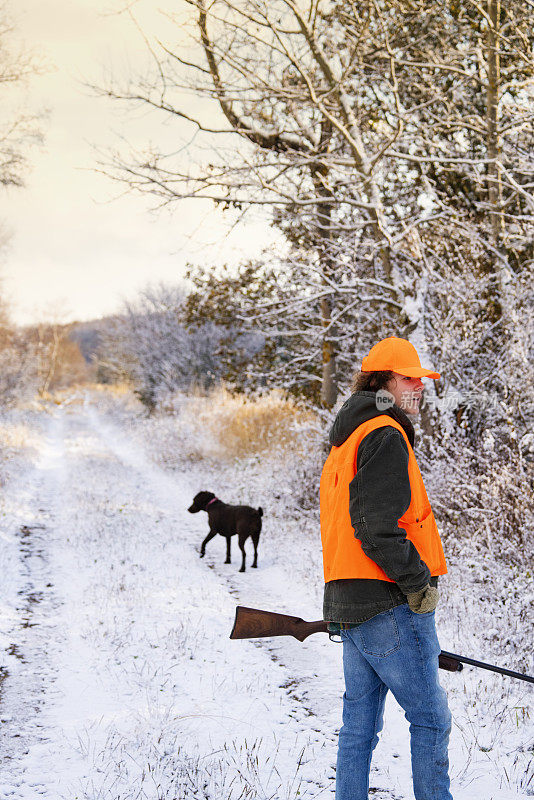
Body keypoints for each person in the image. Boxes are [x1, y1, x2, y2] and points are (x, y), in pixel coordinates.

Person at [320, 336, 453, 800]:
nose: (419, 386)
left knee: (358, 726)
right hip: (389, 602)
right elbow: (375, 527)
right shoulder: (384, 434)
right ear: (383, 383)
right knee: (431, 718)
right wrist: (418, 582)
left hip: (349, 603)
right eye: (409, 378)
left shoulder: (346, 438)